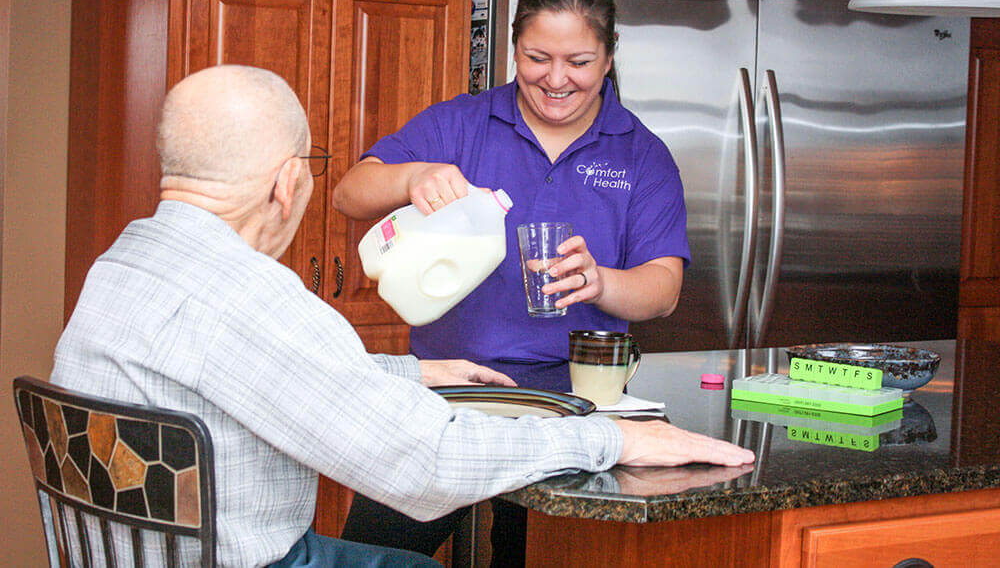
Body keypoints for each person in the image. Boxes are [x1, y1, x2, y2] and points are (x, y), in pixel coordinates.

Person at [50, 64, 753, 567]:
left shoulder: (118, 268)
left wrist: (407, 370)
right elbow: (428, 463)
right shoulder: (253, 296)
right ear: (288, 182)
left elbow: (258, 369)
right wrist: (612, 442)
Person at [331, 0, 692, 563]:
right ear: (515, 49)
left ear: (609, 58)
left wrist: (600, 281)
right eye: (536, 58)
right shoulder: (462, 124)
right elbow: (349, 193)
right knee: (374, 550)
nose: (555, 79)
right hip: (450, 393)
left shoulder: (642, 155)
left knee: (527, 555)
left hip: (573, 404)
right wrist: (413, 176)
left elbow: (664, 290)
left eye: (578, 62)